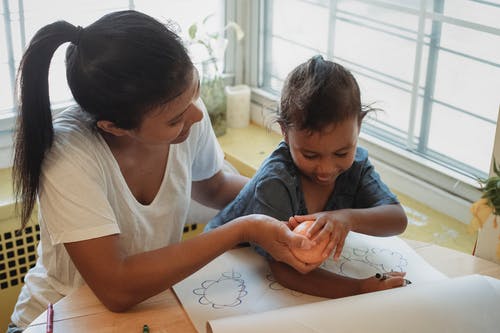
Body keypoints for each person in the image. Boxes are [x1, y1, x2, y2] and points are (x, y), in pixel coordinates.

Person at [7, 10, 316, 332]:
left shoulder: (183, 110)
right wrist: (243, 228)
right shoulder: (69, 154)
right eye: (174, 119)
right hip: (58, 320)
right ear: (113, 127)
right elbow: (117, 287)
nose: (196, 116)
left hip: (141, 311)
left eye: (194, 93)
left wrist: (296, 202)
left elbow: (213, 186)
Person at [205, 55, 409, 299]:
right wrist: (360, 289)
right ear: (285, 133)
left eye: (342, 152)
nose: (326, 168)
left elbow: (397, 218)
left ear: (359, 127)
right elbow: (284, 269)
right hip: (222, 264)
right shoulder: (276, 181)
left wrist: (346, 218)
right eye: (311, 155)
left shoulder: (356, 166)